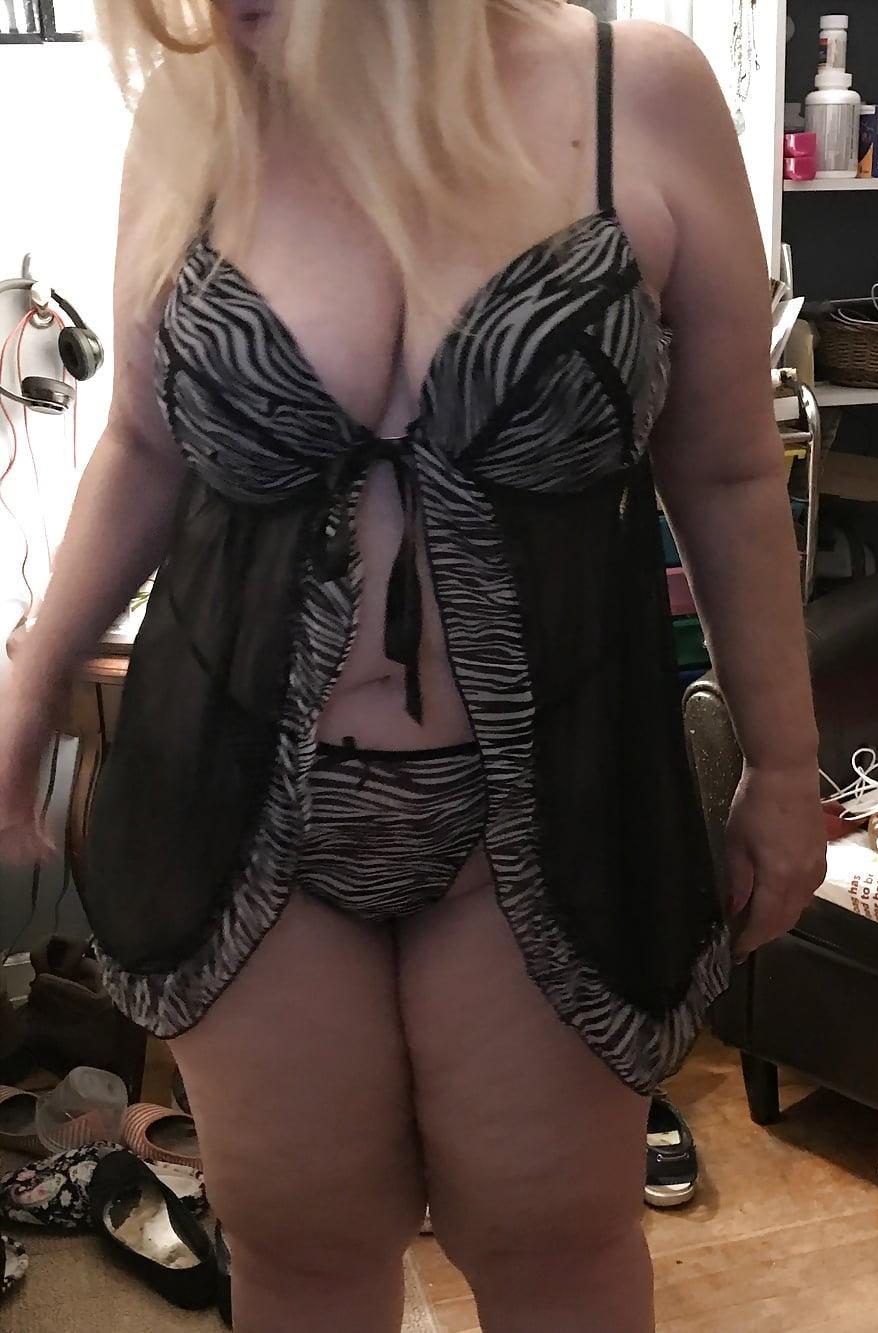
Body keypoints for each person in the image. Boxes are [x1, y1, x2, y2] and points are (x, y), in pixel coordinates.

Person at [0, 3, 826, 1330]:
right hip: (241, 794)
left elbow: (726, 468)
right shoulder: (197, 111)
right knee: (300, 1243)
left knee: (552, 1239)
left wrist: (785, 765)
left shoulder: (639, 93)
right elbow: (144, 444)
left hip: (555, 790)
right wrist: (27, 686)